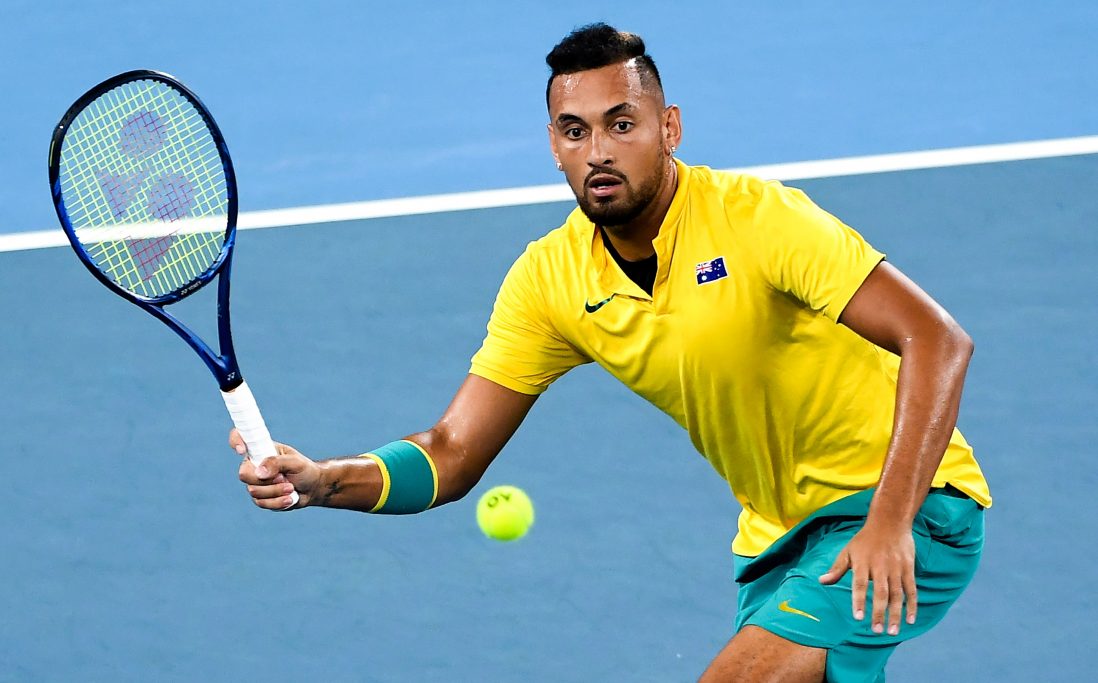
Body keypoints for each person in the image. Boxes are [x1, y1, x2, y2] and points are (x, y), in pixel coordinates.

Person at [230, 23, 991, 683]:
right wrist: (324, 480)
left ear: (670, 128)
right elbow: (451, 452)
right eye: (575, 131)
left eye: (621, 124)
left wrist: (890, 520)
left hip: (910, 504)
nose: (597, 151)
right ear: (553, 145)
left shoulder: (761, 220)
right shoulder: (550, 280)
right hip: (777, 538)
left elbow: (937, 339)